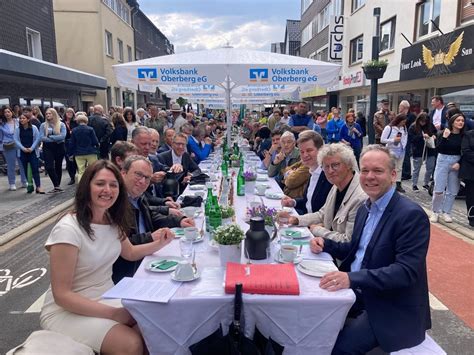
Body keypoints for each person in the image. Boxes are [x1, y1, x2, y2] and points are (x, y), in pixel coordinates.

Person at [40, 160, 174, 354]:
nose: (108, 190)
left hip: (106, 297)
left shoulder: (111, 220)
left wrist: (160, 243)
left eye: (113, 185)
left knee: (155, 325)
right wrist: (114, 314)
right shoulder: (68, 229)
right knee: (130, 344)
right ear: (87, 187)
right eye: (100, 184)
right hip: (68, 311)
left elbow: (130, 253)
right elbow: (62, 295)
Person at [311, 145, 431, 354]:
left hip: (389, 306)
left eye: (378, 171)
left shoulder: (410, 215)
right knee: (310, 321)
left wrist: (352, 278)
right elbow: (356, 249)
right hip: (358, 293)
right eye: (365, 171)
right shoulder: (366, 207)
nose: (369, 177)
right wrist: (325, 243)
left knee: (335, 348)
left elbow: (405, 272)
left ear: (393, 175)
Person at [112, 156, 194, 283]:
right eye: (138, 175)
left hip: (148, 256)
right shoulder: (115, 203)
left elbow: (151, 216)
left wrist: (179, 220)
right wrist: (150, 237)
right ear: (123, 173)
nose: (143, 181)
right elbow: (121, 245)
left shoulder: (137, 196)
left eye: (147, 178)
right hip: (130, 272)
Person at [286, 143, 367, 242]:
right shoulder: (336, 186)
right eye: (326, 167)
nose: (330, 171)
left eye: (335, 165)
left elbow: (348, 240)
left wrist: (317, 230)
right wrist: (296, 219)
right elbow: (322, 214)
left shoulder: (360, 197)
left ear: (349, 165)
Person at [281, 130, 332, 214]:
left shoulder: (328, 176)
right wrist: (293, 202)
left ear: (320, 150)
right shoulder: (312, 171)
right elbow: (307, 201)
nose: (305, 155)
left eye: (309, 150)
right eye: (302, 152)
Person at [430, 113, 465, 223]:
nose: (460, 122)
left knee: (453, 190)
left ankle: (447, 212)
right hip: (443, 160)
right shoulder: (443, 133)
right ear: (452, 122)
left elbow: (466, 151)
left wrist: (459, 162)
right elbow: (438, 149)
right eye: (458, 120)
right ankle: (435, 211)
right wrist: (445, 137)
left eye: (462, 121)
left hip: (456, 161)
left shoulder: (464, 136)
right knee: (439, 189)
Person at [14, 114, 44, 193]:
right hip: (22, 152)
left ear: (28, 120)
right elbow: (16, 140)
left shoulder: (34, 128)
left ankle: (38, 186)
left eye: (23, 118)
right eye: (20, 118)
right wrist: (23, 148)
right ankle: (30, 185)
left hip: (32, 151)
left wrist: (32, 148)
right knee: (25, 169)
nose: (21, 120)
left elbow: (37, 138)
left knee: (35, 169)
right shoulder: (18, 129)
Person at [40, 108, 67, 193]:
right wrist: (55, 139)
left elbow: (63, 136)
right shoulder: (43, 125)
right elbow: (42, 137)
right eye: (47, 114)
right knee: (49, 167)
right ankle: (56, 185)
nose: (48, 115)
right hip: (48, 147)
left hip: (59, 146)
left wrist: (50, 137)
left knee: (58, 166)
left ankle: (57, 186)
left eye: (49, 114)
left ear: (54, 114)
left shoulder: (61, 124)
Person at [408, 113, 437, 192]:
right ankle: (414, 184)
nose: (423, 123)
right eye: (422, 121)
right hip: (418, 150)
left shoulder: (430, 125)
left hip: (430, 149)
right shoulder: (413, 127)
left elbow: (435, 132)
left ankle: (426, 183)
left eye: (425, 121)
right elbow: (411, 139)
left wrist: (434, 136)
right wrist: (421, 137)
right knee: (417, 168)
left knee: (430, 167)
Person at [1, 106, 27, 190]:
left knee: (22, 164)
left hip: (19, 145)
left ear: (12, 112)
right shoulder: (2, 124)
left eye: (8, 111)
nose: (7, 114)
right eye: (5, 112)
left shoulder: (18, 121)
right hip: (8, 146)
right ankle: (12, 183)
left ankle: (24, 181)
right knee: (11, 165)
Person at [380, 113, 408, 193]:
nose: (404, 124)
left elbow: (405, 137)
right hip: (392, 150)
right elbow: (383, 139)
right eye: (403, 122)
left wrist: (403, 145)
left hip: (401, 150)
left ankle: (398, 184)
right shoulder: (389, 128)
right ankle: (389, 184)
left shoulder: (404, 128)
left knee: (399, 168)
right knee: (392, 168)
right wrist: (393, 140)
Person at [69, 115, 99, 182]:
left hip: (78, 153)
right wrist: (97, 146)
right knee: (94, 169)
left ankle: (81, 185)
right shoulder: (90, 129)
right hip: (90, 152)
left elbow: (72, 143)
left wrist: (70, 154)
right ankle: (94, 182)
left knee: (81, 171)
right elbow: (95, 141)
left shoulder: (74, 130)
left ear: (77, 121)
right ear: (86, 121)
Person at [399, 100, 417, 180]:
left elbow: (413, 127)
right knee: (403, 155)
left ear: (404, 107)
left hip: (408, 138)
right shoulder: (401, 115)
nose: (399, 108)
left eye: (400, 106)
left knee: (406, 155)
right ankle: (404, 172)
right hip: (402, 138)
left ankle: (406, 173)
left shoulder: (411, 116)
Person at [460, 128, 474, 227]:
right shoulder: (468, 134)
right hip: (471, 170)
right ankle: (472, 217)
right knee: (471, 195)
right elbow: (466, 150)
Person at [63, 108, 78, 185]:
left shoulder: (75, 122)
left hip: (74, 142)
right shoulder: (62, 122)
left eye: (71, 112)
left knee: (75, 159)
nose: (69, 114)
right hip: (66, 142)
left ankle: (77, 173)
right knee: (68, 160)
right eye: (68, 112)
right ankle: (72, 177)